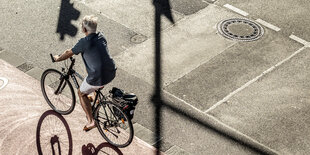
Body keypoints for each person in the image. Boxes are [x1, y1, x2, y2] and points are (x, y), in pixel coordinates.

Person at [53, 15, 116, 131]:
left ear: (84, 30)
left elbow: (68, 52)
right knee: (91, 71)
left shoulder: (84, 42)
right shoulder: (101, 36)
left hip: (99, 76)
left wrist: (57, 58)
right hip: (111, 71)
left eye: (82, 26)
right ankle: (95, 96)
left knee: (81, 93)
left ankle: (91, 121)